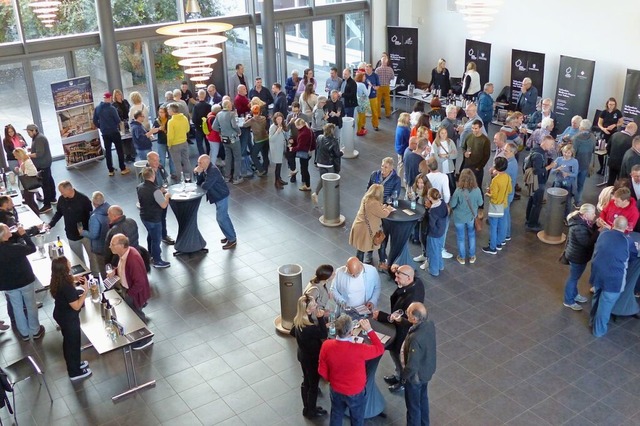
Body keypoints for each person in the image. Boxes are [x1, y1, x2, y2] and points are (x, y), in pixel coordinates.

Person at [318, 314, 384, 426]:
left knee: (336, 415)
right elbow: (379, 348)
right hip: (356, 391)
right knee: (357, 419)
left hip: (336, 389)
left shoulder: (326, 345)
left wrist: (333, 380)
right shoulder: (359, 349)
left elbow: (322, 370)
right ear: (350, 332)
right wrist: (369, 330)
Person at [372, 265, 425, 392]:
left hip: (403, 333)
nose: (396, 280)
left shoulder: (411, 300)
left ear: (408, 278)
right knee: (394, 353)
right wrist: (392, 270)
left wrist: (382, 316)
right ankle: (398, 375)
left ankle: (403, 381)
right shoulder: (415, 282)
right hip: (400, 330)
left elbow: (400, 318)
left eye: (398, 277)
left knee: (400, 357)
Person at [107, 233, 153, 349]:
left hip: (134, 293)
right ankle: (139, 336)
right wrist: (115, 272)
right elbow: (123, 268)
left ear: (121, 245)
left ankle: (146, 339)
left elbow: (140, 282)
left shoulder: (133, 259)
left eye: (112, 244)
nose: (109, 246)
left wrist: (129, 295)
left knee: (138, 314)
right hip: (128, 289)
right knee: (133, 314)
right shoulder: (126, 253)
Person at [49, 256, 92, 381]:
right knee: (72, 344)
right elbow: (77, 306)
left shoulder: (57, 279)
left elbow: (67, 282)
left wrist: (74, 279)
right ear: (64, 268)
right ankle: (74, 372)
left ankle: (76, 363)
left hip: (61, 314)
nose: (70, 263)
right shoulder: (66, 287)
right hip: (68, 318)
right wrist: (85, 292)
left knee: (70, 342)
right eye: (68, 263)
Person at [0, 223, 43, 341]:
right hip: (25, 280)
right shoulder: (15, 248)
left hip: (8, 284)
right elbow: (32, 248)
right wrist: (24, 235)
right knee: (30, 305)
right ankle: (35, 330)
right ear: (4, 236)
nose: (10, 230)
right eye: (8, 229)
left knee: (17, 307)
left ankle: (23, 333)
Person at [589, 216, 630, 337]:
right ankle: (599, 331)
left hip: (598, 274)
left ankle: (592, 321)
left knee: (597, 298)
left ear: (613, 224)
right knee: (605, 305)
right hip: (613, 280)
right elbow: (632, 255)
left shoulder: (604, 234)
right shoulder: (627, 241)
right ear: (626, 228)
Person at [289, 294, 328, 419]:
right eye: (313, 305)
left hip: (303, 355)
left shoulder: (298, 320)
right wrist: (321, 319)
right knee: (313, 385)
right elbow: (323, 333)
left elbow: (292, 332)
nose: (316, 305)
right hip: (312, 359)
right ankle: (311, 410)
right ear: (307, 309)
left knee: (306, 381)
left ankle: (306, 407)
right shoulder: (309, 327)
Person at [402, 302, 437, 426]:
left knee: (413, 408)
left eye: (408, 313)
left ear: (415, 319)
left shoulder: (415, 338)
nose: (406, 313)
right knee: (423, 400)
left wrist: (403, 377)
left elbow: (412, 365)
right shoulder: (429, 325)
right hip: (426, 372)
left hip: (415, 377)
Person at [194, 154, 237, 250]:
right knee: (224, 217)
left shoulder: (212, 171)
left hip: (221, 196)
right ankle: (229, 234)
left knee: (221, 218)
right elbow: (199, 183)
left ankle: (232, 239)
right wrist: (199, 174)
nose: (198, 164)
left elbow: (205, 186)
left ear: (206, 162)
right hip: (218, 196)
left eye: (200, 163)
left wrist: (200, 176)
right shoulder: (206, 169)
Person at [562, 204, 597, 311]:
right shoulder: (578, 227)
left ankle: (575, 294)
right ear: (586, 215)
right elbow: (587, 242)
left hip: (578, 255)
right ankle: (568, 301)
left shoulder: (582, 222)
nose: (595, 215)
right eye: (593, 213)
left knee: (575, 277)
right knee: (573, 278)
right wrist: (598, 231)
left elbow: (589, 231)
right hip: (577, 257)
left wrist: (596, 225)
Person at [48, 180, 92, 260]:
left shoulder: (83, 199)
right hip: (71, 234)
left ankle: (95, 273)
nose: (61, 194)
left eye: (62, 191)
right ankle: (84, 273)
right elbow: (59, 213)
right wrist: (50, 224)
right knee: (78, 259)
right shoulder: (61, 199)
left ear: (69, 189)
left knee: (92, 257)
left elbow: (90, 215)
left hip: (86, 234)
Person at [349, 184, 393, 264]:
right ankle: (381, 263)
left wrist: (382, 207)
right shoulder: (373, 203)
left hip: (360, 226)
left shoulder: (366, 198)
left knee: (361, 248)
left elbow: (375, 210)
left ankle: (359, 265)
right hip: (366, 230)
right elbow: (383, 214)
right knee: (380, 244)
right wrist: (388, 209)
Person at [137, 167, 171, 269]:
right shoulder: (155, 191)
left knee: (150, 235)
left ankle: (150, 254)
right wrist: (167, 196)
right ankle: (157, 260)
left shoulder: (139, 187)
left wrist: (159, 191)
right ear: (153, 175)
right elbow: (163, 205)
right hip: (154, 218)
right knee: (156, 240)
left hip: (144, 216)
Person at [450, 168, 483, 264]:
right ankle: (472, 256)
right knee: (471, 235)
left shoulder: (458, 191)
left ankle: (462, 257)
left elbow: (452, 205)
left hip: (459, 218)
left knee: (461, 237)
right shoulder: (477, 190)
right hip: (471, 217)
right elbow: (480, 202)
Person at [93, 92, 130, 177]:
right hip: (114, 132)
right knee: (119, 150)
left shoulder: (97, 108)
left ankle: (110, 170)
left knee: (108, 152)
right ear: (110, 98)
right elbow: (117, 120)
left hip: (105, 133)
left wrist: (101, 127)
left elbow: (95, 121)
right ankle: (123, 168)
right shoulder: (112, 108)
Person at [525, 135, 556, 232]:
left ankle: (529, 219)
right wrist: (550, 166)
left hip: (534, 181)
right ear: (545, 142)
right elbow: (537, 171)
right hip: (538, 181)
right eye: (551, 144)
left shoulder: (536, 150)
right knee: (537, 203)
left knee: (532, 199)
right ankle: (532, 224)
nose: (552, 147)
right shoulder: (539, 155)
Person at [482, 157, 511, 255]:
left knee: (493, 227)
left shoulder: (495, 180)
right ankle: (500, 243)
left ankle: (492, 247)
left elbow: (494, 196)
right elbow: (510, 190)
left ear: (496, 166)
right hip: (505, 204)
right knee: (502, 224)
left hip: (496, 206)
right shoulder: (507, 177)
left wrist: (488, 194)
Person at [145, 152, 175, 246]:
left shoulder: (160, 168)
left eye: (158, 160)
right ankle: (154, 245)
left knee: (163, 217)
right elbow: (146, 187)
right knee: (155, 222)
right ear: (148, 161)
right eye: (154, 160)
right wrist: (159, 189)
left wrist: (165, 187)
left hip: (162, 196)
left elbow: (166, 179)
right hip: (153, 200)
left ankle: (164, 235)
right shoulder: (146, 172)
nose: (157, 162)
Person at [79, 191, 110, 276]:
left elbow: (94, 235)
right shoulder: (110, 209)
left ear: (93, 202)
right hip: (109, 245)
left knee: (103, 269)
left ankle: (108, 287)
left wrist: (83, 232)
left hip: (99, 247)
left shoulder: (95, 217)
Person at [213, 99, 243, 185]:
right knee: (237, 157)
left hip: (225, 139)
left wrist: (221, 132)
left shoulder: (218, 114)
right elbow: (234, 125)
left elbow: (214, 127)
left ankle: (227, 176)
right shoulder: (231, 114)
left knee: (228, 157)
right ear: (229, 106)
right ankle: (236, 177)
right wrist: (239, 131)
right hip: (234, 139)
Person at [312, 123, 342, 204]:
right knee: (331, 181)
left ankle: (316, 193)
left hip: (320, 162)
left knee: (322, 179)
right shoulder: (334, 141)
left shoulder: (319, 137)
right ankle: (330, 199)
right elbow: (336, 154)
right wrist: (341, 152)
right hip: (329, 164)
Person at [462, 119, 491, 195]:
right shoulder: (469, 136)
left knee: (477, 187)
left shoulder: (485, 140)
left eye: (476, 128)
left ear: (480, 128)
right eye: (472, 128)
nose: (474, 130)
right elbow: (463, 147)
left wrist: (479, 167)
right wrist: (465, 153)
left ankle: (481, 205)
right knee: (466, 185)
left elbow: (486, 156)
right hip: (467, 165)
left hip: (477, 167)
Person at [572, 119, 597, 204]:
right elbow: (594, 149)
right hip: (586, 163)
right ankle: (578, 201)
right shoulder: (593, 137)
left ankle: (568, 199)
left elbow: (573, 152)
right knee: (581, 184)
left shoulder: (576, 138)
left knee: (571, 183)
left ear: (581, 127)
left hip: (575, 164)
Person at [551, 144, 579, 218]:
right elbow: (551, 171)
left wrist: (568, 174)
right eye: (565, 152)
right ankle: (556, 214)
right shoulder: (558, 159)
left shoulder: (574, 161)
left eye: (568, 153)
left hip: (568, 184)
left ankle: (566, 217)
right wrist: (557, 169)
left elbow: (575, 174)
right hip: (558, 182)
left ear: (572, 153)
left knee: (568, 201)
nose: (566, 154)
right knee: (556, 199)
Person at [426, 188, 448, 276]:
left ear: (430, 198)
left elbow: (431, 224)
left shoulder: (433, 211)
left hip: (434, 234)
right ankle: (440, 265)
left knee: (433, 251)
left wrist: (428, 211)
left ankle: (434, 270)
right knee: (438, 249)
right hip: (441, 230)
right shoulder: (442, 203)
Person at [167, 103, 192, 180]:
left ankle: (180, 180)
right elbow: (187, 129)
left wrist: (169, 145)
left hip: (174, 145)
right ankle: (189, 178)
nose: (167, 111)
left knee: (177, 163)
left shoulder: (171, 121)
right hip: (184, 142)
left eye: (168, 109)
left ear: (172, 110)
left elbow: (170, 136)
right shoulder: (184, 118)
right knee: (186, 161)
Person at [243, 104, 269, 177]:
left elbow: (244, 125)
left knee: (253, 155)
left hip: (258, 140)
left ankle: (261, 170)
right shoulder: (263, 118)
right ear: (260, 112)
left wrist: (246, 118)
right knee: (265, 155)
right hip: (266, 138)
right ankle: (265, 169)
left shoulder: (252, 120)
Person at [12, 147, 40, 215]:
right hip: (28, 185)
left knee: (29, 202)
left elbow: (33, 173)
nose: (15, 157)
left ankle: (37, 216)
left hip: (29, 185)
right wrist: (19, 170)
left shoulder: (27, 162)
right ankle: (38, 214)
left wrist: (23, 170)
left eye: (16, 156)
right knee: (31, 201)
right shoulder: (25, 161)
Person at [431, 126, 458, 194]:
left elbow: (455, 155)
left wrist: (445, 155)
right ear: (439, 134)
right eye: (442, 133)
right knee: (441, 187)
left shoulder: (450, 142)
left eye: (445, 133)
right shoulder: (435, 144)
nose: (444, 134)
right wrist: (449, 155)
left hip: (450, 168)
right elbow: (437, 160)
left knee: (452, 185)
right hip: (440, 169)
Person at [127, 91, 150, 161]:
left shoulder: (133, 108)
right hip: (146, 127)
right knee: (147, 144)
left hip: (138, 128)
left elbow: (131, 120)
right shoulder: (144, 106)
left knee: (140, 145)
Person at [292, 118, 314, 191]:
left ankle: (307, 185)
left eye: (296, 125)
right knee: (304, 168)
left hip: (304, 153)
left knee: (304, 169)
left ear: (300, 125)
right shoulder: (309, 130)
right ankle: (305, 183)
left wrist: (292, 149)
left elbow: (300, 146)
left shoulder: (303, 133)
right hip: (309, 152)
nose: (296, 127)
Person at [269, 112, 289, 189]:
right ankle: (276, 181)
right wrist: (277, 132)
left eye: (281, 119)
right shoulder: (272, 127)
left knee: (280, 164)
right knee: (278, 165)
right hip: (276, 148)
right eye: (278, 119)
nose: (279, 121)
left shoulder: (282, 125)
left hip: (281, 147)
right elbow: (271, 139)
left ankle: (279, 179)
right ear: (275, 119)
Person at [192, 89, 212, 156]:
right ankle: (209, 156)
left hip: (198, 128)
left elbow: (194, 119)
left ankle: (202, 156)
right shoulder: (209, 106)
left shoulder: (196, 106)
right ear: (205, 95)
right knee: (208, 143)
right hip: (207, 128)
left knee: (199, 144)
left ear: (198, 96)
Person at [395, 112, 411, 187]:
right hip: (403, 150)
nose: (410, 120)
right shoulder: (405, 130)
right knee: (402, 165)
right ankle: (401, 182)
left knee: (399, 164)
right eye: (408, 119)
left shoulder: (399, 126)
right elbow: (409, 140)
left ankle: (399, 179)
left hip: (398, 148)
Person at [354, 72, 372, 136]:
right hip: (362, 103)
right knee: (361, 116)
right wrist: (370, 86)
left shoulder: (356, 83)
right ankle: (359, 131)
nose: (365, 78)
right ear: (361, 77)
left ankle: (360, 128)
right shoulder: (362, 85)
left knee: (359, 116)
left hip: (358, 101)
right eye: (364, 77)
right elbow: (367, 94)